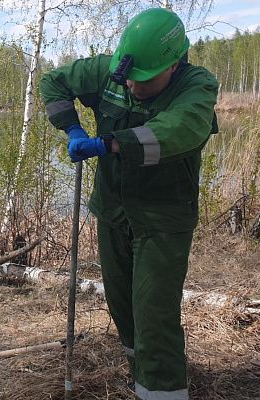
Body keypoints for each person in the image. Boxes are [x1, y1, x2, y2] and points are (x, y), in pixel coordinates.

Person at [40, 7, 218, 400]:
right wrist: (71, 126)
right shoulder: (113, 72)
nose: (133, 87)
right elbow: (53, 82)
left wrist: (110, 143)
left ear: (172, 65)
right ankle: (144, 382)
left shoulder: (197, 86)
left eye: (144, 80)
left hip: (162, 218)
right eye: (129, 78)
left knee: (154, 317)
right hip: (113, 211)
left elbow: (181, 129)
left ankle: (164, 389)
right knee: (124, 311)